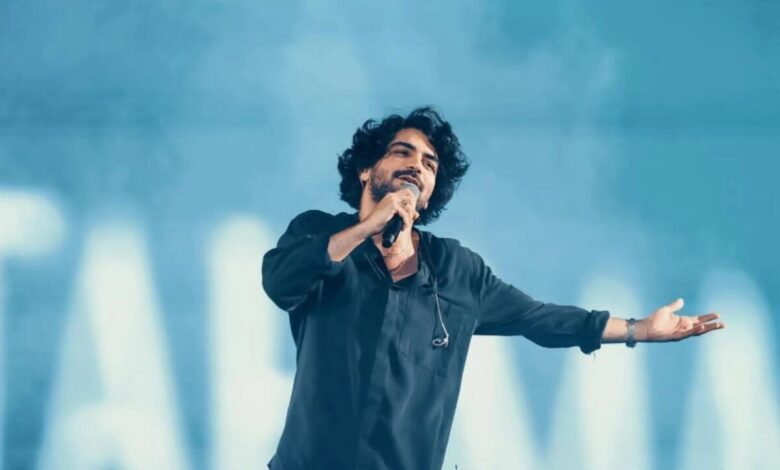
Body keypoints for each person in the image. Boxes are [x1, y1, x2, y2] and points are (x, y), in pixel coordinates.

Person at [261, 106, 725, 470]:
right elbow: (281, 282)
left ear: (432, 190)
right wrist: (368, 227)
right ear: (366, 169)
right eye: (402, 152)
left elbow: (539, 318)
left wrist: (639, 329)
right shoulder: (319, 233)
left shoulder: (456, 270)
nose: (416, 166)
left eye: (429, 163)